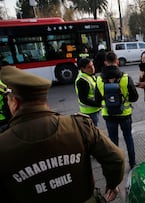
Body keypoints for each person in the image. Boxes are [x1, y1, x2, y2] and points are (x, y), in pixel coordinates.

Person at [0, 66, 125, 202]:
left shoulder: (4, 144)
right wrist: (112, 185)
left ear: (15, 103)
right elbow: (116, 158)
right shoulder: (79, 126)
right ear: (44, 99)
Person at [96, 51, 139, 169]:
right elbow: (135, 97)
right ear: (117, 62)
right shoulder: (125, 77)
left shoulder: (99, 79)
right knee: (128, 138)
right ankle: (132, 163)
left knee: (113, 141)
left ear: (105, 63)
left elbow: (97, 100)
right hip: (124, 114)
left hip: (109, 115)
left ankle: (117, 165)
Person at [75, 58, 102, 126]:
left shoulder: (89, 75)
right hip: (90, 112)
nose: (92, 68)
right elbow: (83, 99)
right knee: (94, 131)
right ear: (82, 69)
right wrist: (98, 104)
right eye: (89, 67)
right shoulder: (82, 81)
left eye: (92, 65)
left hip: (94, 109)